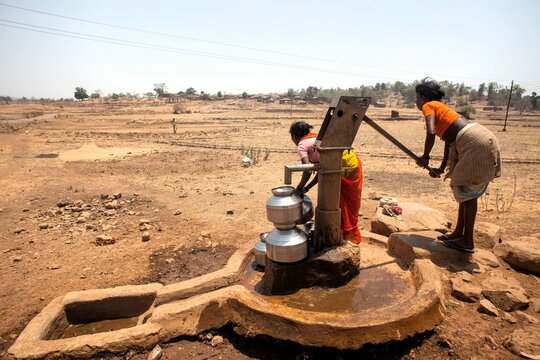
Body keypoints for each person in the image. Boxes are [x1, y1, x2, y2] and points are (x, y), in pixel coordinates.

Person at [415, 78, 501, 253]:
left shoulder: (429, 106)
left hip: (472, 141)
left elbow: (431, 132)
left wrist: (425, 156)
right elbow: (449, 142)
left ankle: (467, 241)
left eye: (416, 97)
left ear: (422, 97)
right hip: (478, 136)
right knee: (463, 189)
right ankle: (458, 234)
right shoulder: (442, 109)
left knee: (467, 193)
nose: (416, 101)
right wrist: (440, 167)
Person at [289, 121, 363, 244]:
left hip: (340, 169)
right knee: (350, 203)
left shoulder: (301, 145)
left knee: (339, 204)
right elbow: (322, 170)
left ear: (294, 136)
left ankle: (346, 238)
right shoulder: (318, 138)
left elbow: (307, 170)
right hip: (353, 164)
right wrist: (306, 188)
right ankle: (346, 235)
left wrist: (298, 188)